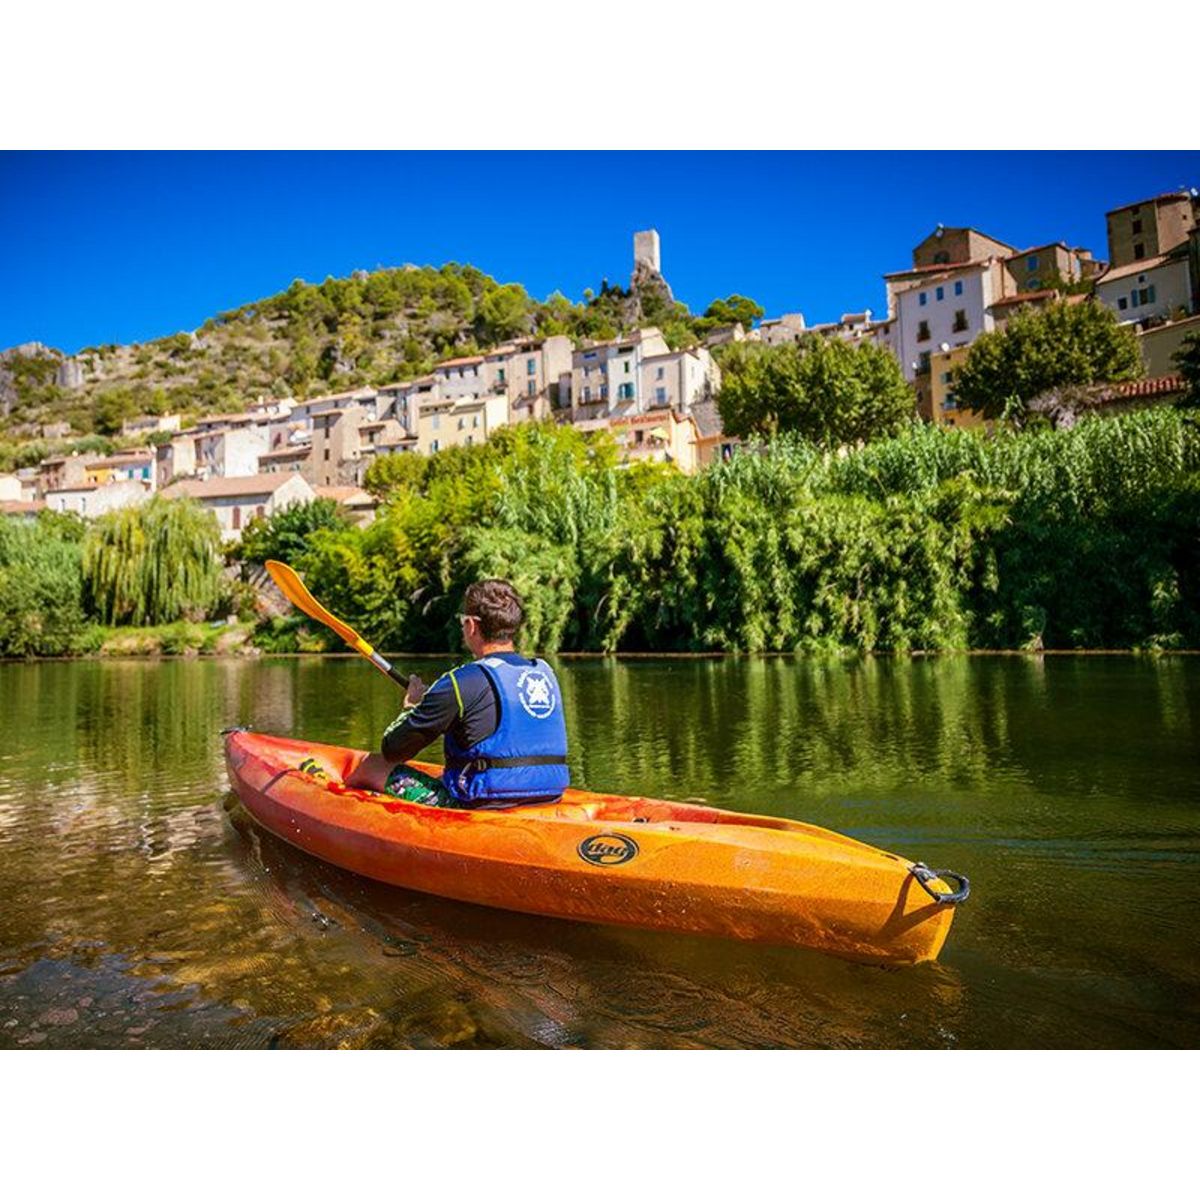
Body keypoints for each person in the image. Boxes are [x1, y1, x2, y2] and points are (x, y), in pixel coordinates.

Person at [344, 578, 569, 809]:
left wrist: (411, 706)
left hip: (484, 803)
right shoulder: (544, 671)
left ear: (471, 625)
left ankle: (341, 807)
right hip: (549, 796)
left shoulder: (461, 681)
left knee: (372, 765)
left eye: (463, 621)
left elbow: (393, 750)